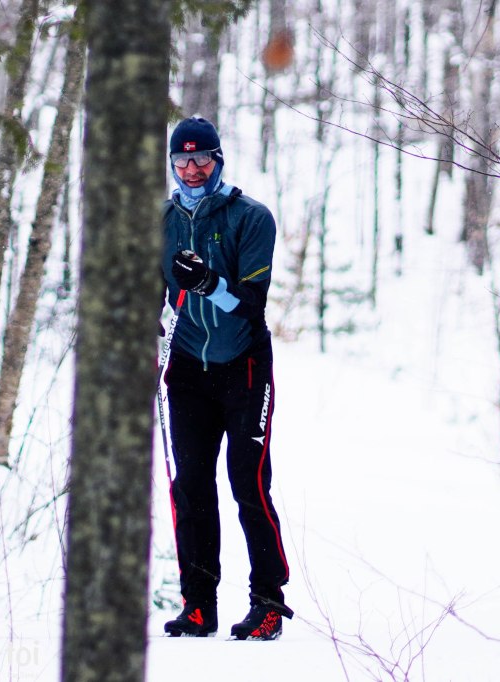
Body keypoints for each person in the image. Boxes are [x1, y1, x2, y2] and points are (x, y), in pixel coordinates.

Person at [160, 117, 292, 640]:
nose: (192, 170)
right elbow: (154, 293)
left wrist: (209, 283)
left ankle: (268, 602)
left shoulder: (250, 217)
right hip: (189, 368)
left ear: (219, 160)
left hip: (244, 368)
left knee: (247, 482)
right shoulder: (163, 221)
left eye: (202, 159)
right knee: (190, 486)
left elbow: (250, 306)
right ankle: (198, 604)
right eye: (182, 161)